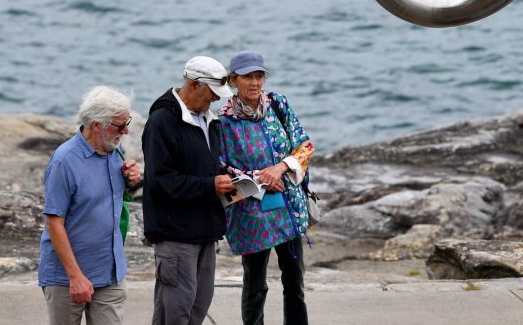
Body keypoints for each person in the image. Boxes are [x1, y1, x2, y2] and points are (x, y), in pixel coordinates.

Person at [218, 50, 315, 325]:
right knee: (255, 285)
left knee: (295, 282)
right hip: (251, 215)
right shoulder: (223, 120)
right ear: (233, 80)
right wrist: (260, 179)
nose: (255, 83)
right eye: (247, 77)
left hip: (288, 207)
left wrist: (280, 168)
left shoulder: (278, 105)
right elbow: (221, 167)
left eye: (259, 76)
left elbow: (305, 146)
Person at [141, 56, 236, 325]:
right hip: (175, 234)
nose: (215, 99)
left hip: (206, 230)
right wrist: (210, 185)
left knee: (198, 306)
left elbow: (205, 168)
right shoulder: (162, 121)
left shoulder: (209, 120)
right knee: (176, 311)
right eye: (212, 93)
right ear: (194, 85)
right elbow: (160, 180)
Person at [38, 86, 141, 325]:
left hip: (110, 271)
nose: (126, 131)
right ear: (96, 125)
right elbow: (54, 222)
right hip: (67, 278)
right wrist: (75, 277)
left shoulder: (115, 149)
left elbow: (109, 199)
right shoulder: (64, 161)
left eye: (127, 123)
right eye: (120, 125)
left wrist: (129, 181)